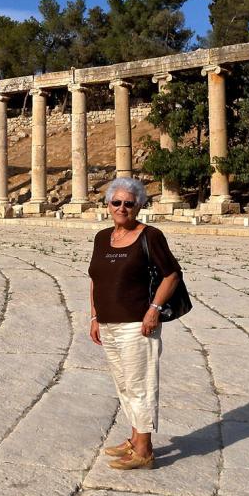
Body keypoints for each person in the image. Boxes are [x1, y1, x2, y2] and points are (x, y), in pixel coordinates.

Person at [88, 176, 182, 470]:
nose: (122, 208)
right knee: (124, 385)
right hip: (108, 323)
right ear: (108, 205)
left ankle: (144, 450)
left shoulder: (150, 236)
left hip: (137, 324)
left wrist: (154, 310)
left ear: (139, 206)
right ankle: (134, 438)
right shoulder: (103, 237)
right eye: (116, 202)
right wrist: (94, 316)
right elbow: (95, 278)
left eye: (129, 203)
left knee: (140, 385)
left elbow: (172, 274)